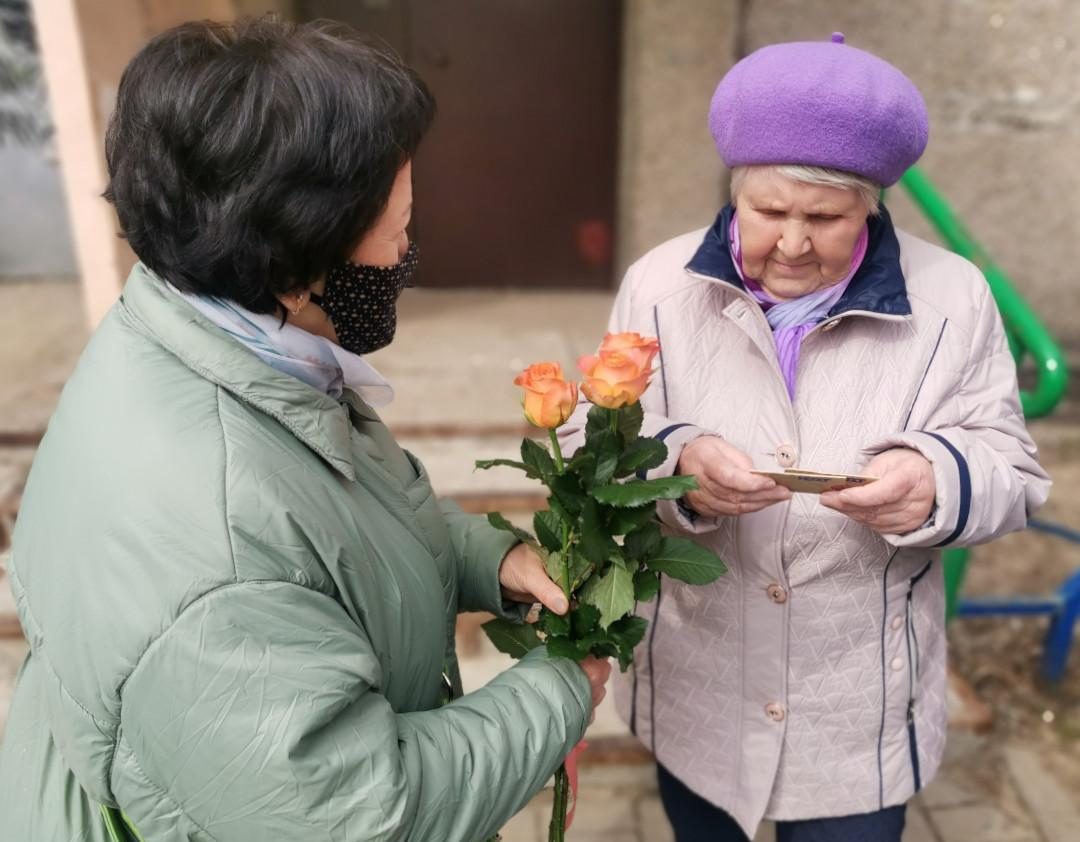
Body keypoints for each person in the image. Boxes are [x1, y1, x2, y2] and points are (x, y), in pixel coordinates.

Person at [0, 17, 610, 842]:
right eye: (397, 229)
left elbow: (328, 527)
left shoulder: (200, 336)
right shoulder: (218, 554)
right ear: (292, 267)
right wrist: (560, 688)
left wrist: (481, 557)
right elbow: (357, 813)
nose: (408, 250)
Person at [561, 33, 1049, 842]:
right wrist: (676, 460)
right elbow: (596, 434)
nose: (792, 243)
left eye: (825, 218)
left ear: (873, 205)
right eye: (769, 212)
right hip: (701, 684)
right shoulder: (660, 284)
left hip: (855, 708)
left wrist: (938, 479)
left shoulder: (952, 296)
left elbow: (1014, 470)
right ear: (733, 191)